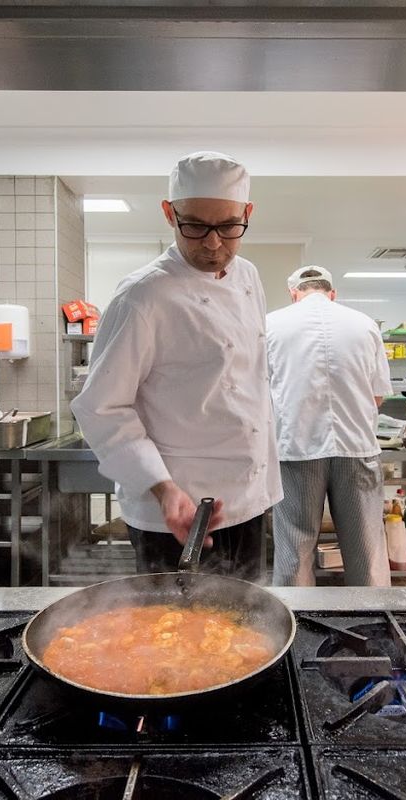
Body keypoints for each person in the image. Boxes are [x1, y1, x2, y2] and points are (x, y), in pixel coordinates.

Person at [71, 151, 280, 582]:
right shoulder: (143, 296)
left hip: (249, 497)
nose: (213, 243)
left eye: (228, 226)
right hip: (176, 509)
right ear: (169, 214)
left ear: (248, 214)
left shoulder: (249, 277)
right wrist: (163, 488)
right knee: (175, 621)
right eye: (195, 226)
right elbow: (101, 407)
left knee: (249, 613)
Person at [266, 266, 392, 586]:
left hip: (296, 448)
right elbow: (377, 395)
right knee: (366, 553)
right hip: (356, 448)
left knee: (294, 553)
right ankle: (372, 616)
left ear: (294, 294)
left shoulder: (271, 325)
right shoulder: (364, 324)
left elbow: (260, 392)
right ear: (332, 293)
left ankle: (298, 616)